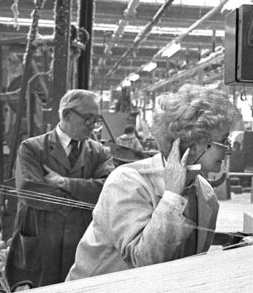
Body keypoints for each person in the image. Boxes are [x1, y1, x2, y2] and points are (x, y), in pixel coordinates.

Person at [66, 84, 240, 281]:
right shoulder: (127, 182)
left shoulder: (206, 195)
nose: (230, 150)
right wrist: (173, 195)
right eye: (224, 142)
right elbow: (144, 261)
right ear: (192, 144)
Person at [6, 89, 115, 287]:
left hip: (81, 244)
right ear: (66, 115)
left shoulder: (99, 153)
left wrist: (64, 183)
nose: (93, 126)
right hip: (40, 245)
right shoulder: (32, 149)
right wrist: (80, 200)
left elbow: (108, 190)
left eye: (96, 120)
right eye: (88, 119)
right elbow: (30, 191)